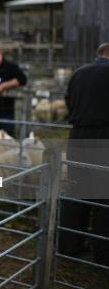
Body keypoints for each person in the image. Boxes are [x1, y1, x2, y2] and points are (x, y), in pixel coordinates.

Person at [59, 43, 109, 265]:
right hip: (104, 134)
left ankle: (69, 246)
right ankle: (102, 253)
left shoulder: (78, 73)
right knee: (103, 195)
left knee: (78, 188)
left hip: (78, 136)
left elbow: (68, 102)